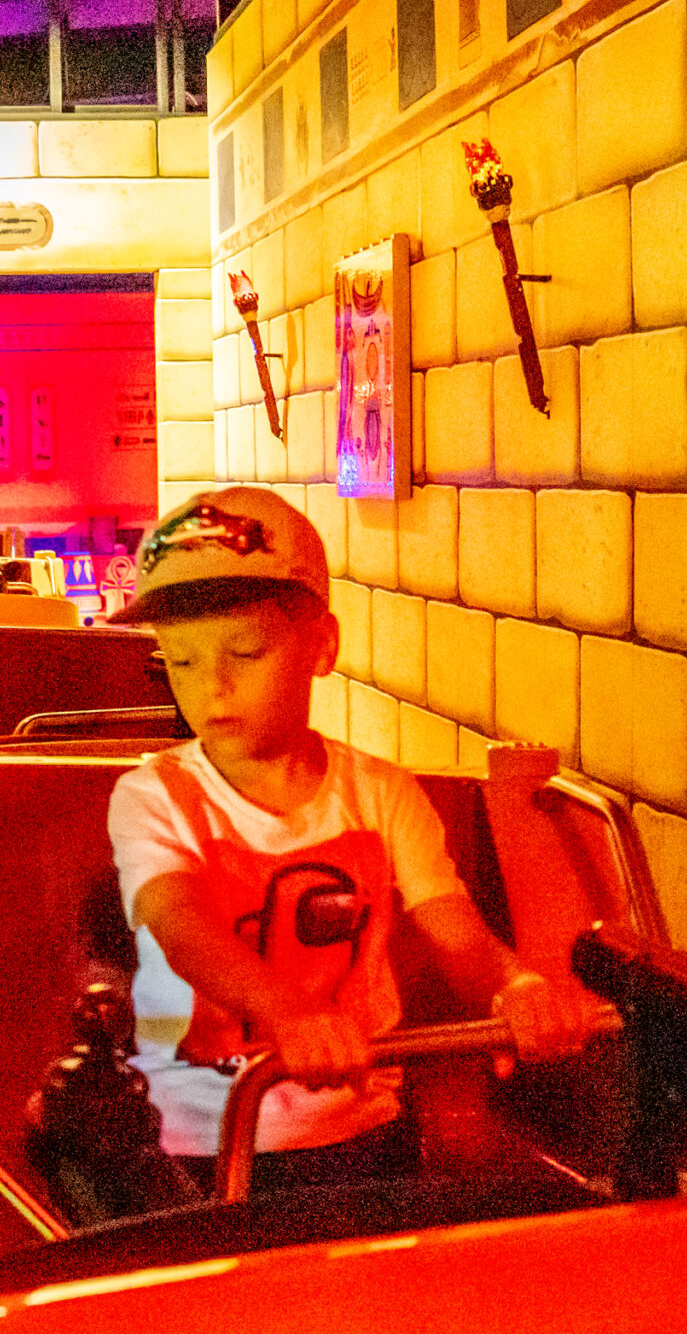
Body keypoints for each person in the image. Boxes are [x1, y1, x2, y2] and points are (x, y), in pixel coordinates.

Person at [105, 488, 601, 1191]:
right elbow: (181, 925)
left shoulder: (381, 794)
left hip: (365, 1126)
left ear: (323, 646)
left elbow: (456, 933)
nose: (212, 687)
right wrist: (287, 1010)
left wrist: (516, 986)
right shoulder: (154, 796)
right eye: (180, 662)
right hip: (204, 1141)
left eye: (244, 651)